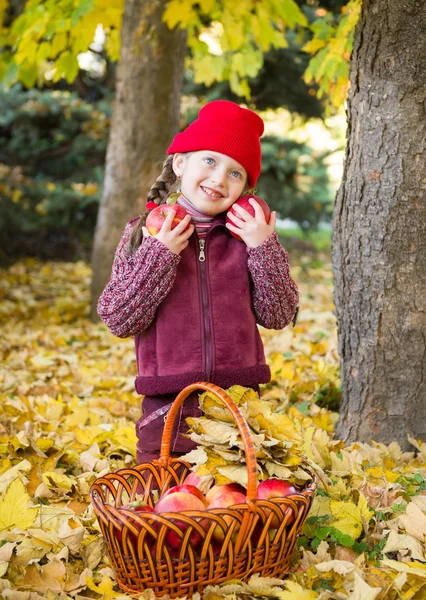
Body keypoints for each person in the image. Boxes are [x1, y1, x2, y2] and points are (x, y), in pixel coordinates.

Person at [97, 100, 299, 465]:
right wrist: (159, 254)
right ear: (180, 163)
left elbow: (279, 314)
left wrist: (262, 247)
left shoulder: (250, 237)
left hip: (237, 401)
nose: (220, 179)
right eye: (210, 160)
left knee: (234, 505)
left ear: (246, 189)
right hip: (167, 405)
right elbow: (118, 318)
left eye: (236, 173)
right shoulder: (144, 234)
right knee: (166, 503)